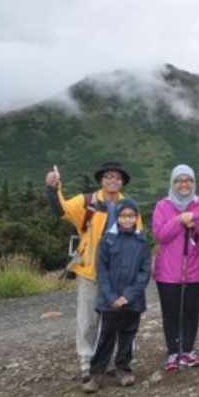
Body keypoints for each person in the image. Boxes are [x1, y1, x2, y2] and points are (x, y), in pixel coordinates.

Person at [45, 161, 141, 379]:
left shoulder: (128, 206)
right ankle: (87, 363)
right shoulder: (86, 202)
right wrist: (53, 188)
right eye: (108, 176)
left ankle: (116, 362)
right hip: (90, 272)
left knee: (116, 321)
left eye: (117, 177)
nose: (113, 180)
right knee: (87, 320)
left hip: (119, 276)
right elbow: (61, 210)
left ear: (122, 182)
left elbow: (137, 238)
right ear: (101, 179)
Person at [82, 199, 151, 393]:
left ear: (136, 218)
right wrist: (112, 297)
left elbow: (144, 273)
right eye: (123, 216)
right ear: (117, 218)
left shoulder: (142, 242)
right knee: (105, 337)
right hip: (109, 302)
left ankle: (123, 369)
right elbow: (101, 272)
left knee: (128, 336)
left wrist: (127, 296)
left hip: (133, 301)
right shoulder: (107, 240)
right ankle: (96, 373)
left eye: (131, 216)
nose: (127, 219)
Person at [152, 165, 199, 371]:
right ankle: (173, 352)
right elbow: (160, 235)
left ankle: (188, 350)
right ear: (173, 183)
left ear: (194, 183)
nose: (184, 184)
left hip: (195, 270)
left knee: (191, 311)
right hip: (168, 272)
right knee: (171, 312)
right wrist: (179, 220)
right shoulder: (162, 206)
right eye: (179, 180)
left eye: (188, 180)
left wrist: (195, 223)